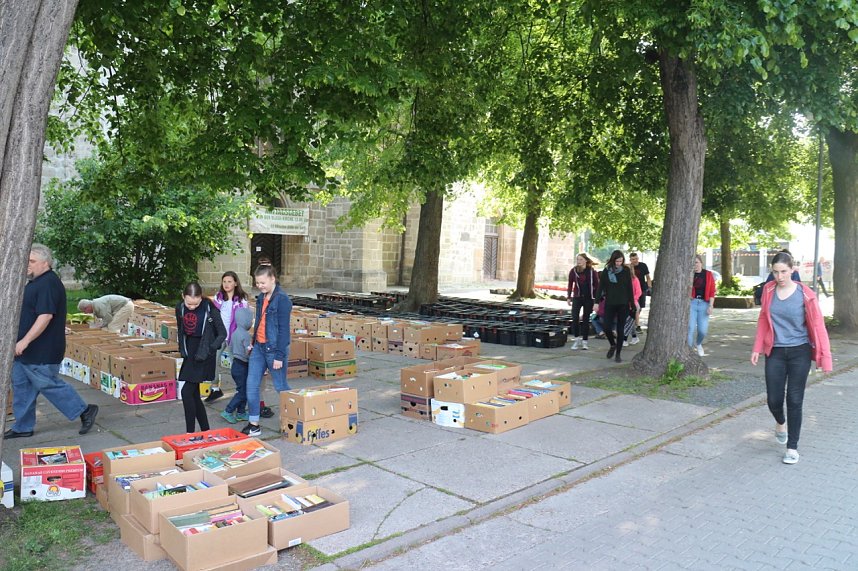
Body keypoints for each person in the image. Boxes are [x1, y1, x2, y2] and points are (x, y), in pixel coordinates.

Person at [5, 244, 99, 439]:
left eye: (32, 261)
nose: (27, 265)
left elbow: (45, 316)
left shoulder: (48, 283)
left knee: (47, 384)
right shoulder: (36, 282)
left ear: (45, 263)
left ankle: (84, 410)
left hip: (42, 349)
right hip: (25, 350)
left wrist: (24, 341)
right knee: (22, 388)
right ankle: (23, 426)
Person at [751, 251, 832, 465]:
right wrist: (757, 347)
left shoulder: (805, 294)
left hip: (799, 352)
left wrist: (825, 358)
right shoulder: (768, 291)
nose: (780, 277)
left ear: (792, 270)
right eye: (776, 272)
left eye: (784, 272)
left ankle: (792, 447)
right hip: (775, 351)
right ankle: (780, 422)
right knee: (774, 400)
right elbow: (762, 319)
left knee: (795, 399)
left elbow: (818, 327)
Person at [243, 264, 293, 436]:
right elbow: (259, 322)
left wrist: (279, 355)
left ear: (273, 279)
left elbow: (284, 330)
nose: (260, 286)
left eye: (263, 282)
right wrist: (253, 340)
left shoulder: (282, 299)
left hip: (274, 350)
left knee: (281, 386)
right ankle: (254, 423)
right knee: (251, 385)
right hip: (259, 348)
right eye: (257, 283)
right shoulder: (261, 298)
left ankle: (292, 418)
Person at [176, 282, 227, 433]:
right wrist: (182, 349)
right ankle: (206, 431)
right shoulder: (180, 307)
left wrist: (211, 349)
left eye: (195, 304)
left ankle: (189, 433)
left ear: (200, 298)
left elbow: (222, 333)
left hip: (204, 352)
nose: (191, 307)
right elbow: (180, 329)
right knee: (194, 395)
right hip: (190, 352)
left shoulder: (209, 308)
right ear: (183, 297)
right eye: (189, 303)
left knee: (186, 392)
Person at [206, 271, 250, 403]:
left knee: (237, 365)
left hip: (234, 337)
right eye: (224, 281)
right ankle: (215, 389)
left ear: (235, 283)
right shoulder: (218, 297)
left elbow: (245, 320)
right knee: (213, 361)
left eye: (229, 281)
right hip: (219, 335)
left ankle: (243, 389)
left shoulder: (241, 300)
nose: (226, 284)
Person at [597, 250, 636, 363]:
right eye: (617, 261)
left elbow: (629, 287)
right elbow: (601, 287)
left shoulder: (626, 270)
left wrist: (632, 303)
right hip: (610, 303)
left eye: (621, 261)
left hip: (623, 304)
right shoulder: (607, 271)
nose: (619, 263)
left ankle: (618, 353)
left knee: (620, 329)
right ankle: (612, 345)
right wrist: (596, 302)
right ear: (613, 260)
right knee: (606, 327)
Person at [221, 307, 253, 424]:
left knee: (243, 389)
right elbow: (247, 352)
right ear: (246, 321)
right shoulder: (246, 335)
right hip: (242, 366)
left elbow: (230, 348)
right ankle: (228, 410)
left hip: (235, 364)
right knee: (243, 392)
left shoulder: (234, 333)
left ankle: (241, 412)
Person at [567, 253, 599, 350]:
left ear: (585, 260)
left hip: (589, 298)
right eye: (577, 259)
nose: (579, 261)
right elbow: (570, 284)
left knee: (586, 319)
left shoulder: (592, 272)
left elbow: (597, 286)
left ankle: (585, 341)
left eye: (581, 259)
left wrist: (596, 301)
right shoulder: (573, 271)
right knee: (575, 317)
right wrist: (568, 297)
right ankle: (576, 339)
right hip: (577, 297)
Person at [688, 254, 717, 357]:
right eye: (692, 263)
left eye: (696, 262)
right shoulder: (689, 274)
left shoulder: (708, 275)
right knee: (690, 328)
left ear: (701, 263)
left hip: (704, 304)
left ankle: (698, 343)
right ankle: (689, 351)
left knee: (702, 330)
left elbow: (712, 291)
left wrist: (711, 305)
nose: (695, 265)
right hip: (692, 303)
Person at [629, 253, 651, 332]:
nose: (634, 261)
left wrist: (649, 287)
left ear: (638, 258)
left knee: (640, 307)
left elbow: (648, 277)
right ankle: (637, 325)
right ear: (630, 260)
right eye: (632, 259)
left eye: (635, 259)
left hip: (642, 288)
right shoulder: (629, 267)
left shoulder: (643, 265)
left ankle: (635, 322)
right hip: (633, 290)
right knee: (635, 307)